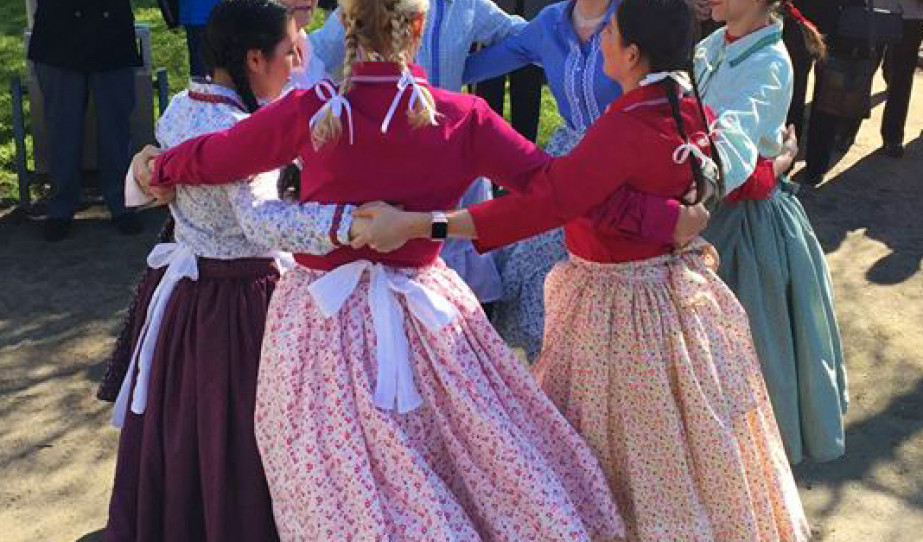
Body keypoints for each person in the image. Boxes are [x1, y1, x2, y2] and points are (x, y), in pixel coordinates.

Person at [143, 0, 631, 538]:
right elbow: (556, 189)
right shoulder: (460, 117)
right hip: (426, 315)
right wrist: (652, 207)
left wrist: (159, 167)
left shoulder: (315, 109)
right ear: (419, 26)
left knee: (336, 487)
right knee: (472, 458)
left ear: (346, 24)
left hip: (321, 324)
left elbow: (217, 157)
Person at [349, 1, 810, 538]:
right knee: (679, 441)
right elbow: (635, 187)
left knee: (608, 444)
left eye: (609, 32)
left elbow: (545, 202)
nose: (599, 40)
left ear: (632, 54)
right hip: (673, 298)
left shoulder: (625, 126)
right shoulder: (684, 106)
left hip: (618, 313)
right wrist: (668, 215)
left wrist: (417, 225)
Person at [102, 2, 354, 539]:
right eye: (288, 53)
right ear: (254, 59)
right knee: (239, 428)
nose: (296, 64)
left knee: (187, 423)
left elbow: (157, 167)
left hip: (188, 300)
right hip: (240, 303)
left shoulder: (182, 105)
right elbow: (261, 220)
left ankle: (184, 520)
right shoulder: (241, 131)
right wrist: (346, 225)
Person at [699, 0, 848, 464]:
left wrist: (771, 168)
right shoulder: (714, 44)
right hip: (703, 210)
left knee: (746, 354)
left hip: (739, 227)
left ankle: (745, 467)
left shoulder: (769, 63)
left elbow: (730, 159)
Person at [28, 0, 144, 242]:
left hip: (111, 34)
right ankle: (61, 205)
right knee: (62, 128)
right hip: (57, 35)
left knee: (116, 127)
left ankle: (122, 201)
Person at [474, 0, 556, 142]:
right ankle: (486, 145)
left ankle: (525, 149)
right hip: (492, 15)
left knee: (528, 91)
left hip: (534, 13)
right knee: (488, 91)